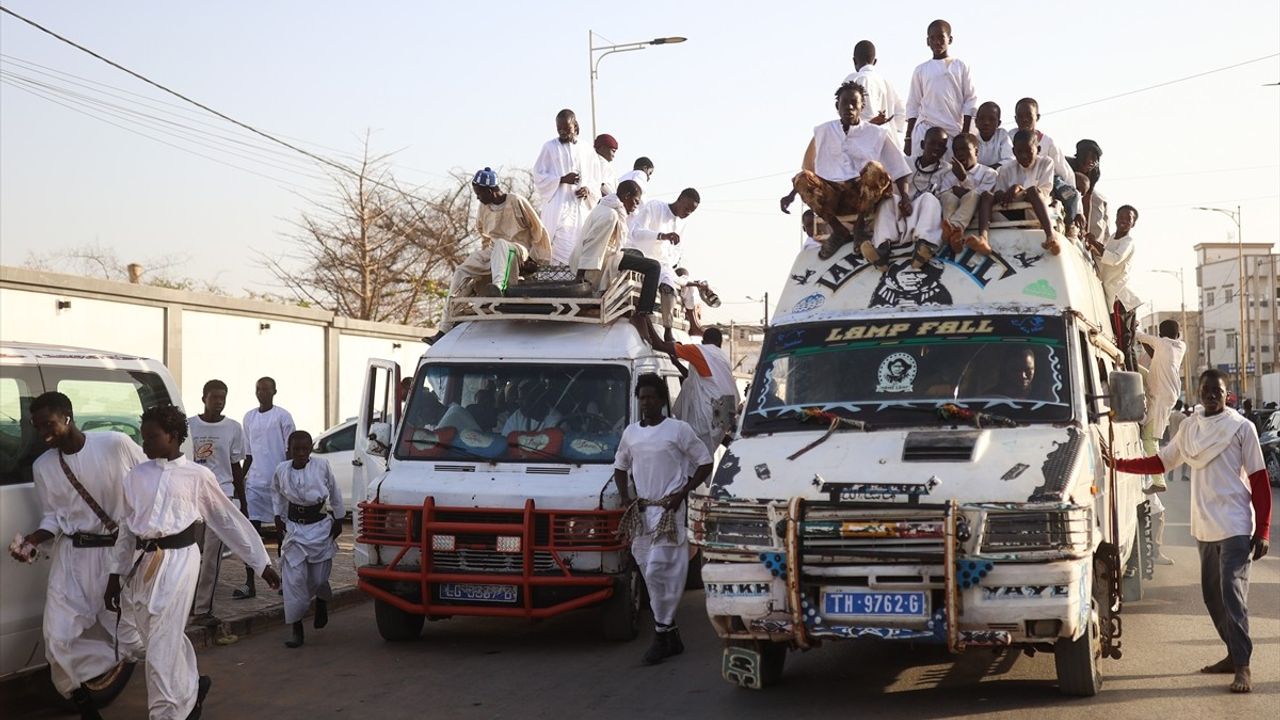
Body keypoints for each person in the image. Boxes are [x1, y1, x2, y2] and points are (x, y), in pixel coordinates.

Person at [106, 405, 280, 719]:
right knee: (147, 641)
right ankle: (190, 689)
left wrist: (261, 563)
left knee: (161, 644)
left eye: (152, 438)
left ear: (173, 437)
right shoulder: (136, 476)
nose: (144, 444)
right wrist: (114, 576)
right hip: (142, 565)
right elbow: (126, 529)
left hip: (178, 563)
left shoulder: (198, 476)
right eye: (143, 438)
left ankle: (168, 714)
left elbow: (227, 520)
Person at [1105, 369, 1271, 694]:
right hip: (1204, 526)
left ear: (1227, 395)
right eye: (1206, 390)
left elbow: (1260, 482)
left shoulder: (1242, 428)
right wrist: (1118, 463)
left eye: (1218, 391)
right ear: (1198, 392)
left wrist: (1262, 529)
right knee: (1212, 597)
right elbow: (1162, 462)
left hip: (1237, 525)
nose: (1212, 395)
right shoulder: (1190, 429)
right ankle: (1232, 652)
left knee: (1231, 594)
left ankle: (1243, 666)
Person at [9, 392, 144, 720]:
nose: (44, 433)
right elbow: (54, 517)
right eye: (37, 426)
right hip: (70, 558)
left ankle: (179, 679)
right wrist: (31, 541)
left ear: (68, 417)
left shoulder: (115, 444)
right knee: (57, 639)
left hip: (116, 555)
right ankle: (85, 706)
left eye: (49, 424)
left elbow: (151, 479)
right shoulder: (44, 465)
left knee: (130, 637)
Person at [612, 374, 713, 665]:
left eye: (651, 397)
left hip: (670, 510)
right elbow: (620, 466)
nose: (646, 402)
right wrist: (625, 497)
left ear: (661, 400)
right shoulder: (631, 433)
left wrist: (683, 492)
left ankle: (660, 636)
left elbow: (705, 462)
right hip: (643, 513)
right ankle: (670, 634)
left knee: (659, 570)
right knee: (648, 571)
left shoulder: (678, 430)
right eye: (642, 397)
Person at [778, 81, 911, 261]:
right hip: (833, 196)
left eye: (854, 103)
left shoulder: (877, 133)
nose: (849, 107)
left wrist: (905, 197)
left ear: (861, 106)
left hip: (863, 197)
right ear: (837, 106)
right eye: (844, 103)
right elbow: (807, 169)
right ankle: (838, 230)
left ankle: (859, 226)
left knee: (875, 168)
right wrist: (791, 195)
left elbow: (899, 169)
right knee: (801, 178)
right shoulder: (822, 132)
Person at [271, 430, 343, 649]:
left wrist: (339, 519)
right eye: (296, 449)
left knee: (319, 579)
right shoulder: (281, 470)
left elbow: (334, 491)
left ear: (310, 449)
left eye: (305, 449)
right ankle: (297, 627)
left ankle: (321, 600)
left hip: (320, 528)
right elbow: (276, 492)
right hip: (294, 530)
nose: (301, 453)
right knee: (294, 581)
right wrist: (277, 516)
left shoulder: (322, 466)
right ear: (289, 450)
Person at [633, 315, 742, 455]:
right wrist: (677, 363)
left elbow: (657, 345)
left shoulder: (700, 351)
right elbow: (694, 380)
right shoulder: (722, 357)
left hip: (710, 411)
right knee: (705, 452)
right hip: (725, 410)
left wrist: (646, 319)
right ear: (720, 343)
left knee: (697, 454)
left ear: (703, 342)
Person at [187, 380, 246, 628]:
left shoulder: (233, 428)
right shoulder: (189, 425)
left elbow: (235, 466)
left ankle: (203, 608)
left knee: (212, 555)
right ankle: (185, 602)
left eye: (223, 397)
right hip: (191, 496)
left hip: (221, 495)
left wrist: (241, 498)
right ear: (204, 398)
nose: (219, 402)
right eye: (214, 397)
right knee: (190, 553)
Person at [568, 179, 662, 316]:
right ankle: (643, 313)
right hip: (595, 264)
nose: (636, 206)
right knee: (654, 267)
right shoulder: (610, 215)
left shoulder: (608, 207)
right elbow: (592, 245)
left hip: (605, 255)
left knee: (637, 254)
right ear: (626, 196)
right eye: (635, 201)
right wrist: (581, 277)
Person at [238, 377, 294, 599]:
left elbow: (290, 450)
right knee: (251, 534)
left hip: (278, 484)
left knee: (283, 534)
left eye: (266, 389)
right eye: (258, 389)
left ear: (274, 391)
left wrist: (289, 479)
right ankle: (249, 583)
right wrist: (240, 479)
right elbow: (248, 454)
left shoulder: (283, 416)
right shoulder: (249, 418)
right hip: (255, 484)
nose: (262, 393)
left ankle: (285, 581)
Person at [862, 126, 946, 271]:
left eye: (941, 146)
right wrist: (904, 200)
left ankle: (924, 248)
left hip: (922, 218)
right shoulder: (905, 162)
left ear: (945, 151)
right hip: (900, 214)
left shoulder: (947, 169)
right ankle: (882, 250)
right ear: (922, 145)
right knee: (888, 200)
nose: (936, 148)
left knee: (929, 198)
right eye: (932, 143)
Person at [626, 188, 701, 331]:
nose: (687, 214)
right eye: (686, 209)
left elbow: (675, 253)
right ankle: (650, 321)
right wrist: (662, 236)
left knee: (677, 283)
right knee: (663, 275)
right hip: (640, 255)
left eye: (691, 212)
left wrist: (671, 267)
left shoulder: (682, 224)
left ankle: (679, 327)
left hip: (663, 264)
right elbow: (635, 233)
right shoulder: (655, 207)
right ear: (680, 199)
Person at [977, 129, 1060, 256]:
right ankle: (983, 238)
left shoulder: (1046, 162)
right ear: (1013, 152)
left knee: (1033, 191)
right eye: (1019, 152)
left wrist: (1020, 190)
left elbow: (1044, 190)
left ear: (1037, 149)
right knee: (986, 195)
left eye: (1028, 151)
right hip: (1009, 212)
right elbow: (999, 192)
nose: (1024, 156)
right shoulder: (1005, 169)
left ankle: (1050, 236)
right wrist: (1005, 194)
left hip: (1035, 212)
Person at [904, 19, 977, 160]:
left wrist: (965, 132)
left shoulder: (960, 66)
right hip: (925, 130)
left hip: (953, 132)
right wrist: (908, 138)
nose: (937, 42)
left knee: (950, 175)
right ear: (927, 41)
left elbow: (970, 100)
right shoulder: (921, 70)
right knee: (921, 172)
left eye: (941, 38)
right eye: (932, 38)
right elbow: (913, 105)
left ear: (949, 39)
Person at [533, 109, 598, 264]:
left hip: (581, 208)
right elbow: (538, 174)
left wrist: (588, 189)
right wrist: (561, 179)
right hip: (558, 207)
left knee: (580, 243)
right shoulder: (549, 147)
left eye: (566, 128)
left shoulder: (587, 149)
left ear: (574, 126)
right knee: (558, 247)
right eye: (559, 129)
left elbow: (595, 177)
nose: (562, 132)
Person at [1012, 98, 1083, 239]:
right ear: (1015, 118)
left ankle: (1070, 227)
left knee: (1070, 193)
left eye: (1029, 116)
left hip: (1046, 181)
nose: (1024, 120)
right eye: (1020, 116)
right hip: (1018, 179)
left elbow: (1066, 173)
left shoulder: (1048, 142)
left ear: (1037, 117)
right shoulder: (1009, 137)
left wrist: (1079, 210)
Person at [1136, 320, 1188, 491]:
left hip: (1160, 396)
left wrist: (1135, 326)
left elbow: (1140, 336)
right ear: (1178, 334)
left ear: (1159, 334)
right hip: (1166, 393)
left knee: (1149, 439)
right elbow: (1155, 354)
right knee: (1135, 371)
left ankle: (1159, 482)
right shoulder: (1180, 346)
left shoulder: (1161, 343)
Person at [1089, 205, 1141, 366]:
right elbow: (1104, 257)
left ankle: (1130, 383)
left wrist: (1094, 243)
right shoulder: (1113, 237)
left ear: (1133, 224)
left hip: (1120, 298)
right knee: (1123, 344)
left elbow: (1114, 259)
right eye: (1121, 217)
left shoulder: (1128, 242)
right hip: (1114, 295)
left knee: (1123, 344)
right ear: (1116, 218)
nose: (1124, 221)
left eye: (1128, 218)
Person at [939, 132, 997, 252]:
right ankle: (954, 236)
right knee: (948, 197)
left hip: (977, 218)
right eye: (956, 150)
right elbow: (943, 194)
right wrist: (959, 191)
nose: (960, 153)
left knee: (974, 195)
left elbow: (982, 197)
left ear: (976, 152)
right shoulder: (949, 174)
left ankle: (952, 230)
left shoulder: (989, 173)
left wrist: (963, 179)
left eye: (964, 149)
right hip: (954, 213)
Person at [843, 39, 906, 147]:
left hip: (862, 141)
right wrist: (889, 126)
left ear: (854, 61)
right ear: (875, 61)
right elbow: (901, 112)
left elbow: (848, 114)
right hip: (887, 140)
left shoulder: (854, 79)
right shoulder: (886, 82)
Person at [1070, 140, 1107, 248]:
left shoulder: (1094, 172)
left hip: (1079, 196)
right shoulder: (1067, 165)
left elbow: (1086, 199)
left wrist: (1085, 229)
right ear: (1078, 157)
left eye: (1093, 161)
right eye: (1085, 160)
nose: (1089, 163)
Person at [500, 379, 565, 434]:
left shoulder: (556, 421)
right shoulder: (518, 416)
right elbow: (505, 441)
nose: (518, 402)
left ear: (536, 399)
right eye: (519, 399)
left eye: (522, 398)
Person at [973, 101, 1012, 168]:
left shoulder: (1002, 135)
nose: (986, 123)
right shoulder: (972, 140)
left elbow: (1009, 160)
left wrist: (986, 172)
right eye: (982, 118)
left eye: (991, 119)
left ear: (998, 123)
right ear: (976, 122)